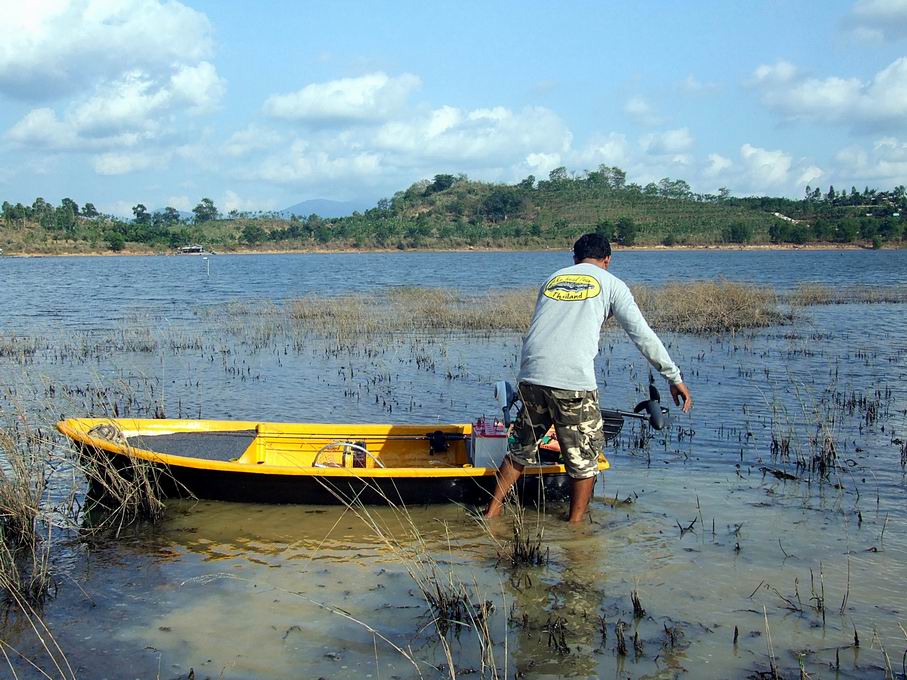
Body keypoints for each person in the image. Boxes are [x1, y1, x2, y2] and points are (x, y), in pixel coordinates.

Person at [484, 233, 693, 523]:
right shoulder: (612, 284)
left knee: (520, 448)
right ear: (607, 260)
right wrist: (673, 376)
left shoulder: (553, 279)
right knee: (584, 461)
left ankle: (491, 513)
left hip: (531, 376)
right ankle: (575, 527)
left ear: (574, 258)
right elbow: (642, 335)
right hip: (572, 382)